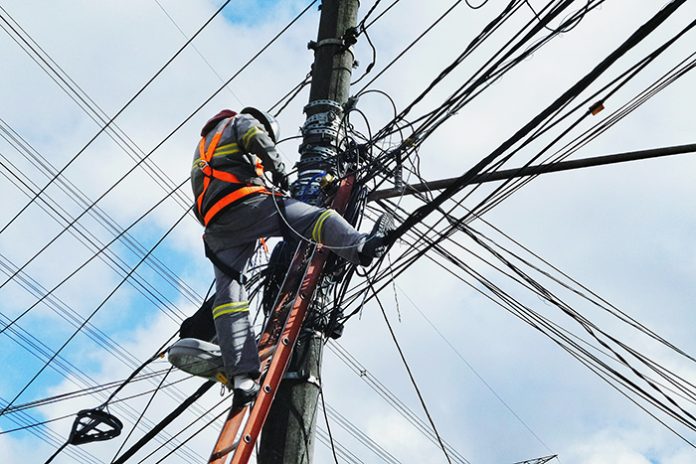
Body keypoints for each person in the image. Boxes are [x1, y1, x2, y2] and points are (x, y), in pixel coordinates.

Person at [190, 107, 392, 404]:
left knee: (229, 299)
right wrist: (280, 171)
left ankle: (243, 378)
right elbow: (255, 137)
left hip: (217, 227)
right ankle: (359, 246)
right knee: (315, 219)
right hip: (245, 204)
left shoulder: (204, 146)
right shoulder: (241, 122)